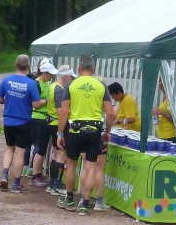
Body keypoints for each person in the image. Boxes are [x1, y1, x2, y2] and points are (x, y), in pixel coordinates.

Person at [56, 55, 115, 215]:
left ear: (79, 68)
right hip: (94, 131)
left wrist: (60, 133)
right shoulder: (101, 86)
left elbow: (64, 112)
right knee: (91, 167)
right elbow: (110, 112)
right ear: (93, 69)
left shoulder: (71, 85)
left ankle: (69, 199)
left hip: (75, 130)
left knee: (71, 164)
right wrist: (107, 131)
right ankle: (85, 203)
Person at [0, 54, 42, 193]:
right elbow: (36, 104)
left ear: (15, 65)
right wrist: (44, 101)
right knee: (20, 152)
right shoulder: (31, 83)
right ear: (28, 66)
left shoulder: (7, 80)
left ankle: (4, 175)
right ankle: (16, 184)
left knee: (9, 148)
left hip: (8, 121)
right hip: (23, 121)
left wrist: (10, 99)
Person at [46, 64, 76, 195]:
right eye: (71, 77)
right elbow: (60, 111)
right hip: (58, 124)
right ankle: (56, 185)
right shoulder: (59, 90)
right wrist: (74, 111)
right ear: (66, 76)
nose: (72, 80)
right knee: (61, 155)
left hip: (53, 122)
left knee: (56, 154)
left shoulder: (53, 86)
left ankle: (52, 183)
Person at [28, 60, 57, 187]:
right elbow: (35, 104)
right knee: (40, 148)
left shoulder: (45, 83)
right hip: (38, 118)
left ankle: (38, 173)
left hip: (44, 118)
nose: (52, 76)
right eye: (50, 74)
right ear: (44, 73)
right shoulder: (37, 84)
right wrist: (48, 100)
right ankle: (34, 176)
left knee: (43, 148)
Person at [152, 76, 176, 150]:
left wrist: (161, 112)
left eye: (161, 84)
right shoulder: (166, 98)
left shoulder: (173, 99)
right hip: (163, 136)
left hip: (171, 136)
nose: (159, 87)